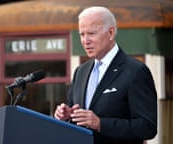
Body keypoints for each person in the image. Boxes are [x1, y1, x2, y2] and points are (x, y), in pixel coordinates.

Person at [54, 6, 157, 144]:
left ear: (110, 32)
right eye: (82, 34)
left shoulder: (136, 71)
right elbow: (76, 118)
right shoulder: (80, 72)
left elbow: (147, 127)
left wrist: (100, 124)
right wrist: (66, 117)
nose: (85, 41)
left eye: (91, 33)